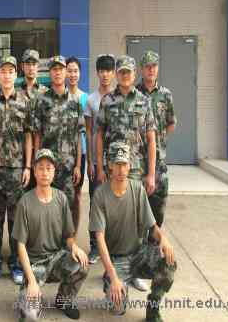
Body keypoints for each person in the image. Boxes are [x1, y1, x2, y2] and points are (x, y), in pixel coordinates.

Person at [89, 142, 177, 322]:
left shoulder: (137, 189)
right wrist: (113, 275)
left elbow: (152, 226)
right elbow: (99, 239)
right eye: (117, 164)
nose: (121, 170)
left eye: (124, 164)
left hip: (138, 253)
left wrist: (164, 239)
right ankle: (112, 279)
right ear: (110, 165)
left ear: (130, 165)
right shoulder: (100, 195)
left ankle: (153, 309)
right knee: (117, 307)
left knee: (168, 263)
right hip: (117, 258)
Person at [95, 55, 157, 292]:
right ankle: (111, 267)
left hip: (136, 170)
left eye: (128, 72)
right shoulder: (107, 100)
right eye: (121, 72)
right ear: (117, 74)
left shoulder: (143, 101)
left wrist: (151, 174)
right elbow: (99, 135)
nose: (124, 75)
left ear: (134, 74)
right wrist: (99, 166)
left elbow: (151, 139)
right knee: (113, 221)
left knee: (137, 223)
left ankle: (135, 271)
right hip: (112, 170)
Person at [12, 149, 89, 321]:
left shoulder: (61, 198)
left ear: (54, 172)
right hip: (34, 264)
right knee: (30, 317)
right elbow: (20, 245)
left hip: (56, 258)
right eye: (40, 168)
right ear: (34, 171)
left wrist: (74, 247)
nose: (44, 172)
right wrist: (32, 281)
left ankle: (63, 300)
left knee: (82, 265)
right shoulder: (25, 202)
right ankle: (29, 295)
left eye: (49, 168)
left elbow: (68, 235)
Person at [0, 56, 33, 285]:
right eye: (3, 71)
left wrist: (28, 166)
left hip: (17, 170)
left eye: (11, 71)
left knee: (15, 220)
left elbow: (29, 136)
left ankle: (16, 263)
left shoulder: (24, 101)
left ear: (16, 74)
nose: (7, 75)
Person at [34, 55, 84, 230]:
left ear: (65, 72)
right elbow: (37, 134)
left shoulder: (75, 101)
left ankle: (68, 242)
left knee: (68, 207)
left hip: (68, 167)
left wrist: (78, 166)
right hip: (47, 167)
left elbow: (79, 135)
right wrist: (36, 163)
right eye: (54, 69)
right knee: (46, 207)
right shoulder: (42, 100)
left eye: (61, 69)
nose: (57, 73)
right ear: (50, 73)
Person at [136, 51, 177, 228]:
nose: (151, 70)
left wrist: (160, 138)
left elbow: (171, 123)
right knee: (137, 205)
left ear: (158, 68)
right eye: (147, 66)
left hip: (158, 158)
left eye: (154, 66)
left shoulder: (165, 95)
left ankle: (155, 239)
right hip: (138, 158)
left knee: (158, 203)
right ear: (142, 69)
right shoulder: (134, 93)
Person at [84, 54, 116, 264]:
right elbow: (89, 132)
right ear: (97, 73)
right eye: (102, 71)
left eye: (108, 71)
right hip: (97, 162)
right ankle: (95, 247)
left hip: (115, 162)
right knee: (96, 204)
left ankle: (113, 246)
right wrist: (90, 162)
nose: (105, 75)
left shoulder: (117, 98)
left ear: (113, 73)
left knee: (114, 204)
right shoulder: (91, 100)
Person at [65, 56, 88, 238]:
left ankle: (73, 234)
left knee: (76, 195)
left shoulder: (85, 98)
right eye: (69, 70)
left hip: (81, 153)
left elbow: (88, 130)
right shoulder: (60, 96)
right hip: (63, 152)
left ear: (80, 73)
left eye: (75, 71)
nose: (72, 74)